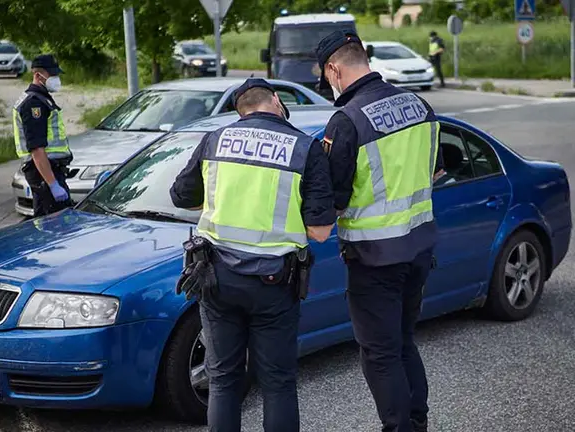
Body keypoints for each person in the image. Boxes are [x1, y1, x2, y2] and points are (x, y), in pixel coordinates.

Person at [170, 78, 336, 432]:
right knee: (277, 382)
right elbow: (321, 231)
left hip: (216, 278)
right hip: (274, 282)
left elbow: (181, 196)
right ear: (275, 100)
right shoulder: (304, 147)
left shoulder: (215, 139)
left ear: (240, 110)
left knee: (223, 379)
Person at [315, 30, 443, 432]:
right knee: (403, 341)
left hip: (374, 258)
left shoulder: (347, 120)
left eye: (326, 77)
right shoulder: (419, 105)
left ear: (334, 69)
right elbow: (435, 171)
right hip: (419, 248)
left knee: (380, 354)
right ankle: (417, 423)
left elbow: (335, 200)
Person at [12, 54, 74, 218]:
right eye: (52, 74)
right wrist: (52, 184)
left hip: (47, 171)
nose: (56, 78)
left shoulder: (41, 99)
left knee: (52, 222)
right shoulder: (34, 104)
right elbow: (37, 149)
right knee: (54, 224)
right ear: (38, 75)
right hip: (44, 172)